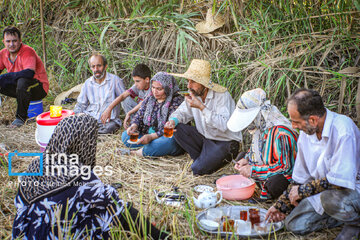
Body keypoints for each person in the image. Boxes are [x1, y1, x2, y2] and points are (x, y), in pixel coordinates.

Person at [12, 114, 168, 240]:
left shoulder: (36, 164)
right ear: (84, 142)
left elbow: (20, 204)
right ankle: (162, 237)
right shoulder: (80, 174)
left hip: (27, 232)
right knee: (113, 211)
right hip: (57, 234)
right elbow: (113, 203)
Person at [266, 89, 360, 240]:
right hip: (325, 191)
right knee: (294, 224)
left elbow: (340, 182)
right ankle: (340, 218)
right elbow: (299, 179)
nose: (293, 126)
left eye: (295, 121)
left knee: (330, 200)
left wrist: (302, 191)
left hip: (352, 189)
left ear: (313, 120)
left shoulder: (343, 130)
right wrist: (280, 206)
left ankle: (355, 223)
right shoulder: (307, 133)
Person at [165, 59, 242, 175]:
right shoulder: (194, 94)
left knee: (197, 170)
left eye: (193, 82)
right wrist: (172, 120)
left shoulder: (222, 96)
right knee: (178, 128)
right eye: (188, 81)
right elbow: (181, 112)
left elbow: (224, 125)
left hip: (225, 142)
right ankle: (203, 159)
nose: (189, 86)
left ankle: (203, 161)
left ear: (204, 84)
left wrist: (202, 108)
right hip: (206, 138)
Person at [227, 88, 298, 201]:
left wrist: (252, 170)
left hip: (282, 174)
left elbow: (286, 168)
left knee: (276, 182)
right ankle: (255, 182)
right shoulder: (260, 128)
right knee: (241, 156)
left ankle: (268, 194)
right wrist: (246, 159)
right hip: (265, 165)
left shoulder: (281, 134)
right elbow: (255, 150)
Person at [120, 72, 184, 157]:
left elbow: (171, 127)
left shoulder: (177, 101)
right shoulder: (150, 98)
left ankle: (136, 152)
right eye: (153, 87)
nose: (154, 91)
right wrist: (134, 126)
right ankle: (151, 148)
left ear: (168, 88)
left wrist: (151, 137)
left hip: (163, 137)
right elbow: (139, 115)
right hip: (147, 135)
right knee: (125, 136)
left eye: (159, 89)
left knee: (169, 142)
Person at [0, 26, 49, 128]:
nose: (11, 44)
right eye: (8, 41)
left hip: (38, 87)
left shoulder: (27, 51)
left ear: (20, 41)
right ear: (3, 41)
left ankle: (21, 118)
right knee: (15, 81)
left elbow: (29, 74)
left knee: (22, 80)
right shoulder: (3, 54)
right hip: (21, 88)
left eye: (14, 41)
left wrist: (6, 76)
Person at [73, 52, 128, 134]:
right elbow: (81, 104)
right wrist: (77, 115)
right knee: (75, 125)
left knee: (110, 127)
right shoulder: (87, 83)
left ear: (105, 66)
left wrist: (129, 117)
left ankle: (91, 133)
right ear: (90, 68)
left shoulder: (115, 80)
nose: (96, 69)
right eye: (93, 66)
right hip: (90, 119)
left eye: (99, 66)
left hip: (108, 122)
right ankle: (90, 132)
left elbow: (125, 99)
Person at [101, 63, 152, 129]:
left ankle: (140, 126)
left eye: (138, 81)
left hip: (149, 115)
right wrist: (109, 108)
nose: (135, 84)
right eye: (134, 81)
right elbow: (123, 95)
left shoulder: (153, 88)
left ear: (147, 80)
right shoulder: (138, 86)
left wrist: (129, 113)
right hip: (140, 114)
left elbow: (144, 103)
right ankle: (134, 124)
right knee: (125, 100)